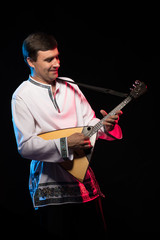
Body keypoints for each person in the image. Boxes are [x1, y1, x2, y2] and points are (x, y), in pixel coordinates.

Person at [11, 32, 123, 239]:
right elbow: (25, 145)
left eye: (57, 57)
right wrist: (64, 144)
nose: (56, 64)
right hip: (50, 186)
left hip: (83, 181)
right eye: (49, 59)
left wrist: (104, 126)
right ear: (30, 61)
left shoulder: (69, 84)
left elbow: (89, 123)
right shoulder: (22, 96)